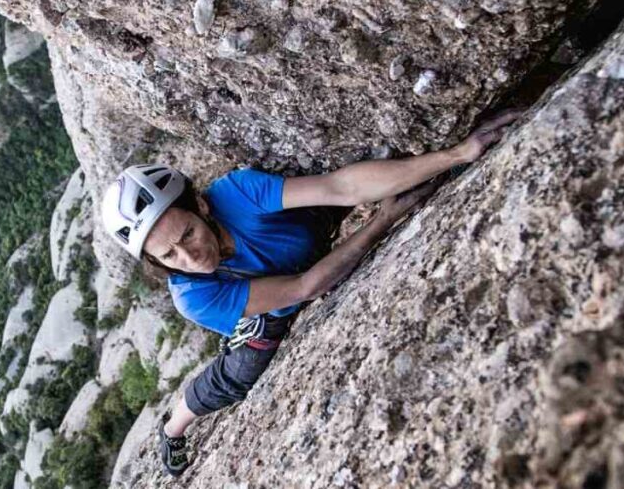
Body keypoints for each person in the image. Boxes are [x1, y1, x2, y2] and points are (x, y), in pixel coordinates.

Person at [99, 110, 523, 477]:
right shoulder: (193, 294)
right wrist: (383, 220)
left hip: (307, 232)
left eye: (187, 233)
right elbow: (306, 287)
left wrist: (458, 154)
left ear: (202, 207)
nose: (189, 256)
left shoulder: (237, 193)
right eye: (169, 255)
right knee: (240, 373)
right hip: (270, 297)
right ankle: (173, 427)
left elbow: (341, 189)